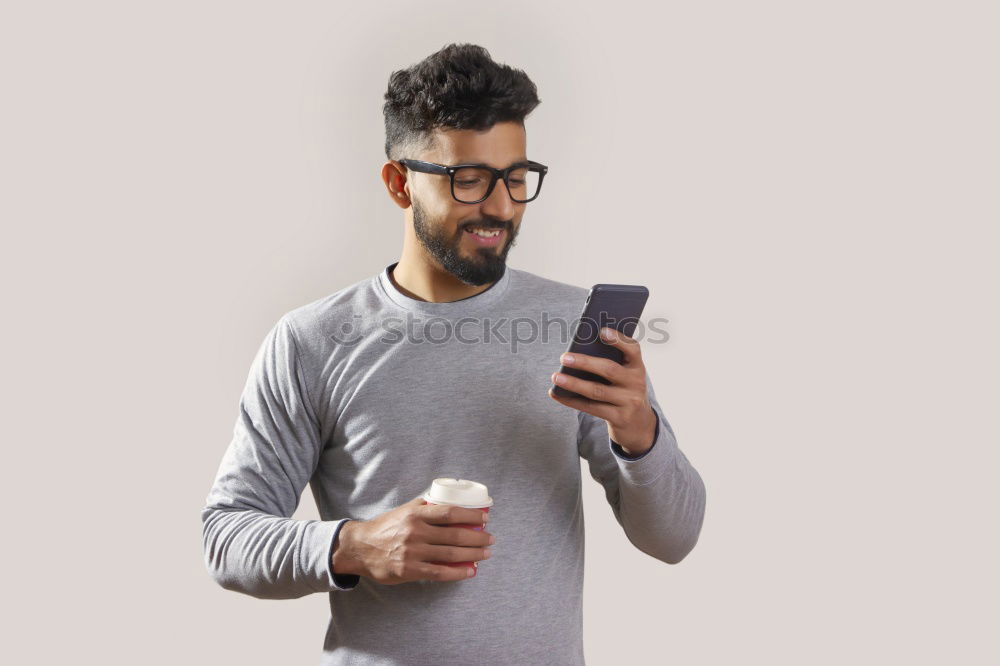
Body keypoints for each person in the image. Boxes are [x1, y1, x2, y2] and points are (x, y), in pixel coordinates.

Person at [201, 42, 706, 665]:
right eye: (467, 181)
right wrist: (353, 546)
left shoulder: (571, 326)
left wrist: (641, 436)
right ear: (398, 183)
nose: (499, 206)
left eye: (516, 179)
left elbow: (674, 539)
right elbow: (227, 538)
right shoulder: (311, 340)